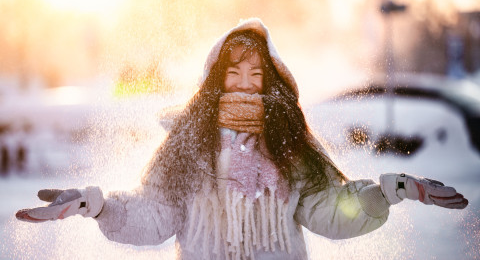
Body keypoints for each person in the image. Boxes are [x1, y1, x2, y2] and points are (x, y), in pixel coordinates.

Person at [16, 18, 468, 260]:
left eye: (256, 73)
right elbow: (154, 214)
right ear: (217, 81)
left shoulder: (290, 142)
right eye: (234, 74)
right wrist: (97, 204)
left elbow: (331, 209)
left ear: (272, 79)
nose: (246, 83)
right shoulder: (188, 143)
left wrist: (388, 192)